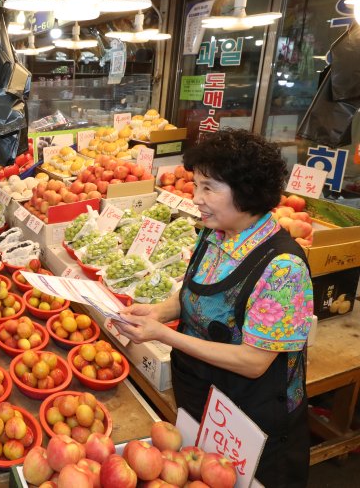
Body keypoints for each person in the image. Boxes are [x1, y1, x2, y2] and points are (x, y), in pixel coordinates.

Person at [114, 129, 313, 487]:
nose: (196, 197)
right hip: (204, 397)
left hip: (253, 419)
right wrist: (159, 311)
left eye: (209, 187)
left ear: (246, 190)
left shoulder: (284, 268)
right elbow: (197, 293)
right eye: (196, 185)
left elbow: (254, 362)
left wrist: (165, 336)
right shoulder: (215, 232)